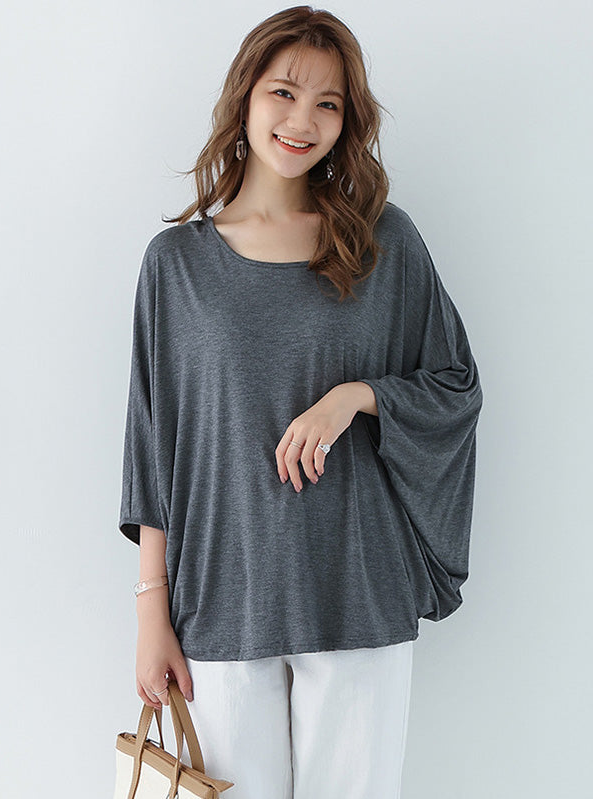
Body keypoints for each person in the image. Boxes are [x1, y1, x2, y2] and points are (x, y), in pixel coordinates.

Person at [118, 6, 483, 798]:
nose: (302, 120)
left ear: (348, 122)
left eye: (328, 103)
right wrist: (152, 613)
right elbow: (154, 444)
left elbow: (455, 385)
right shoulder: (175, 265)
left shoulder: (382, 243)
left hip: (357, 588)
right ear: (246, 96)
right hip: (222, 595)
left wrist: (356, 396)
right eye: (284, 92)